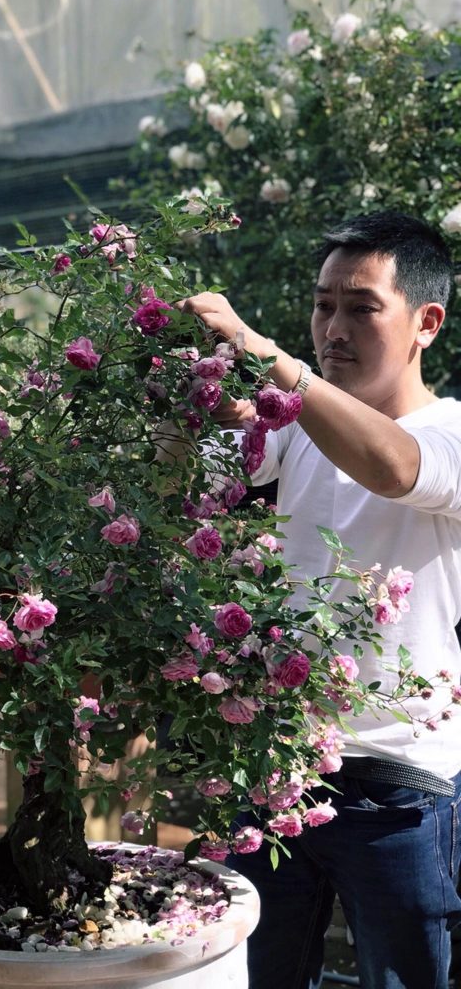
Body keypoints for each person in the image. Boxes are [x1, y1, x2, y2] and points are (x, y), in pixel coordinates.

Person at [181, 211, 461, 989]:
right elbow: (191, 479)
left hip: (402, 784)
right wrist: (179, 397)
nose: (333, 327)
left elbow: (393, 466)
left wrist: (263, 354)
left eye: (361, 307)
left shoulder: (449, 434)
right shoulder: (296, 425)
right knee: (255, 973)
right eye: (322, 304)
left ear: (425, 323)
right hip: (279, 763)